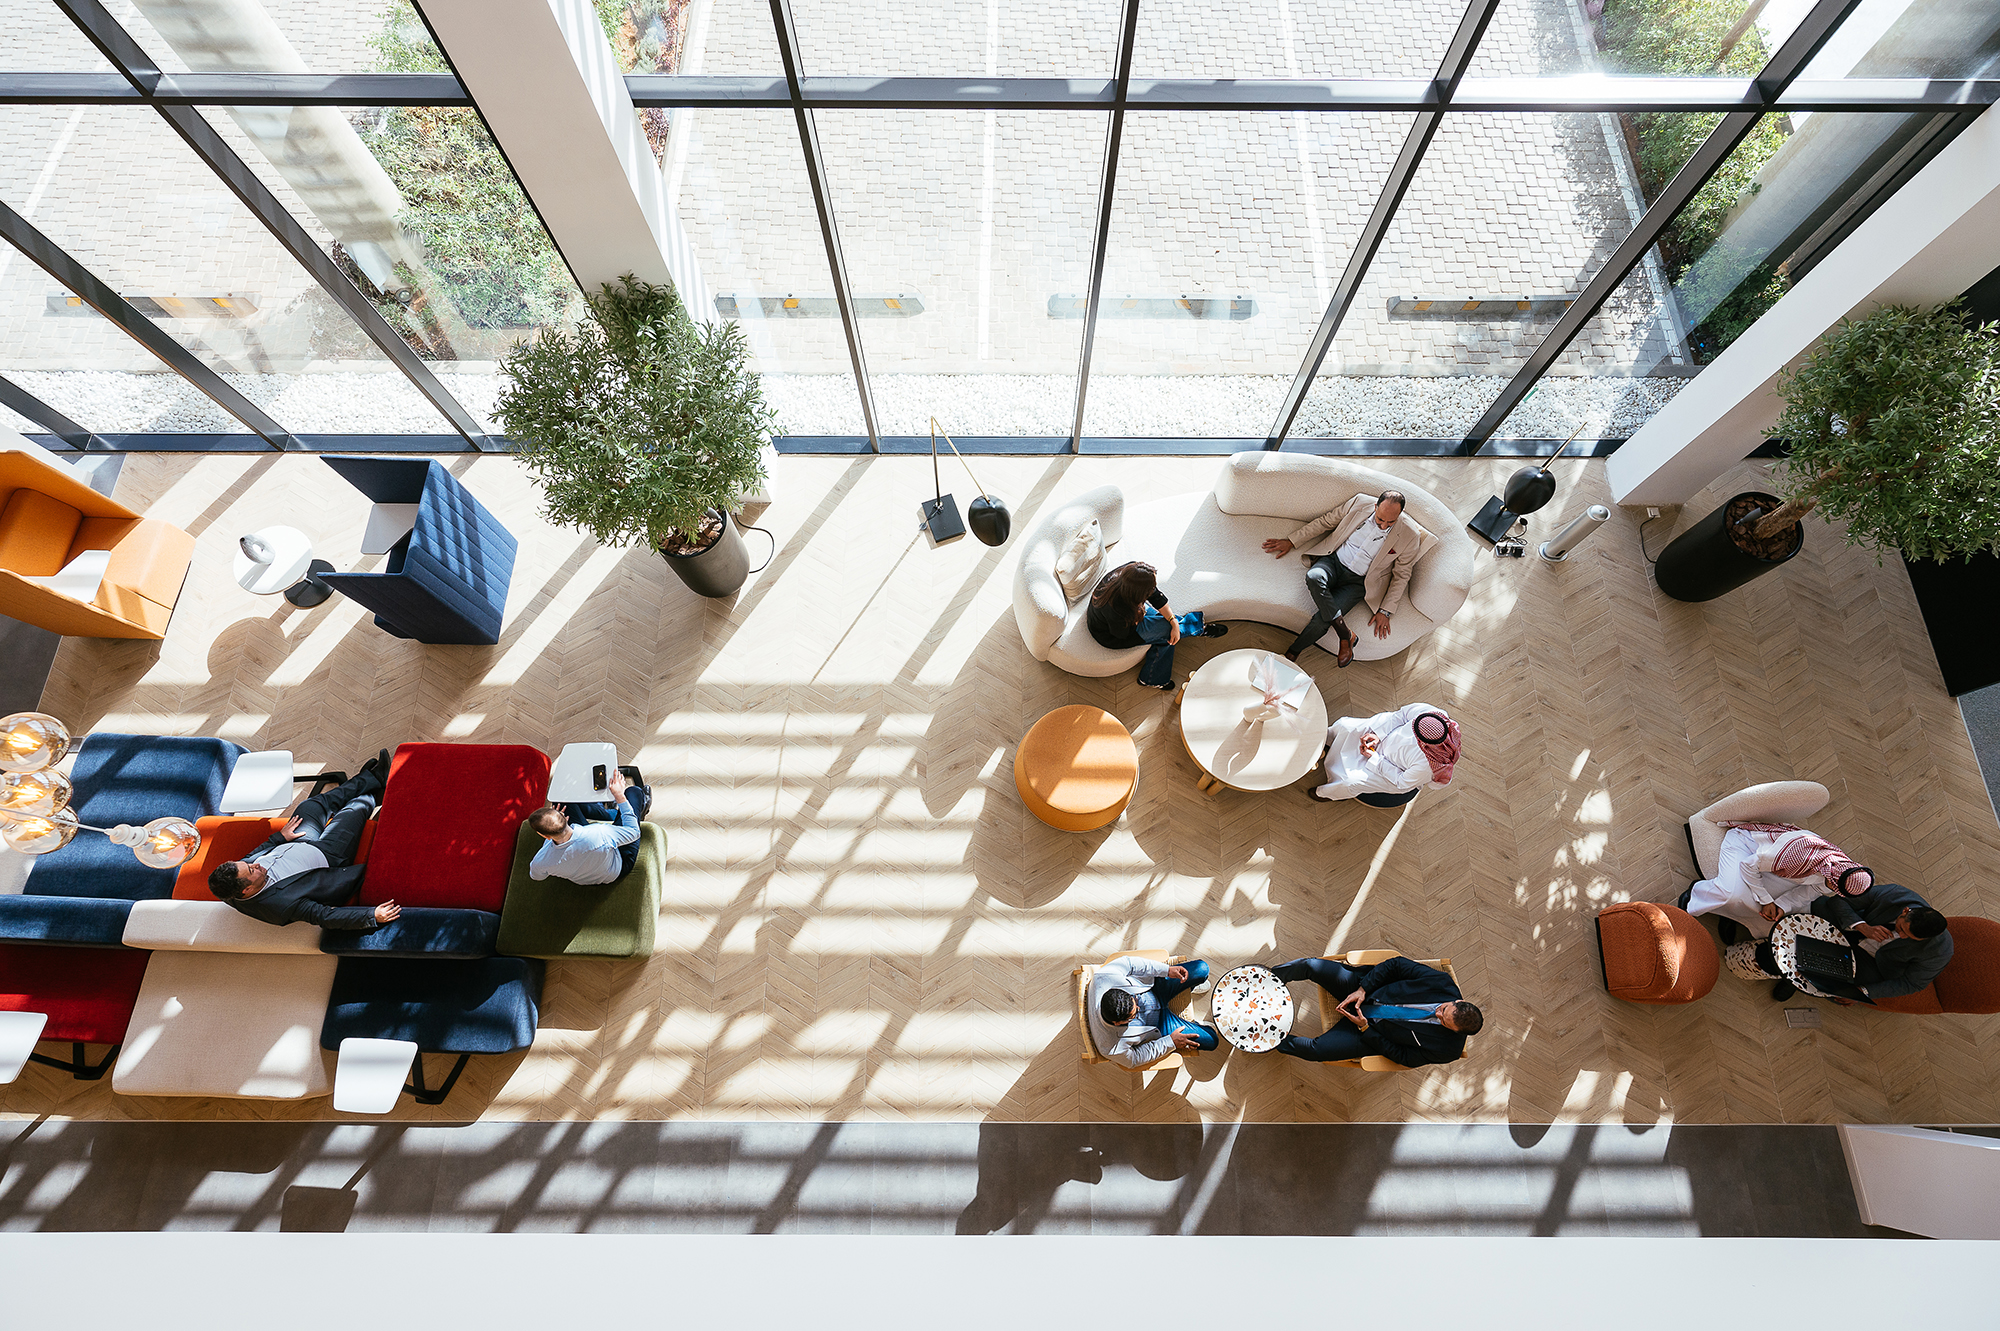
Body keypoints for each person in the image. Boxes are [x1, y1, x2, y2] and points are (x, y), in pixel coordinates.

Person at [208, 749, 400, 930]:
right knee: (355, 807)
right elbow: (324, 916)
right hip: (328, 856)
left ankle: (372, 778)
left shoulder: (231, 883)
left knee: (312, 805)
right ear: (247, 890)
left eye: (246, 864)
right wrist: (372, 916)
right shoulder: (281, 905)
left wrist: (279, 838)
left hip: (296, 841)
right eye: (251, 870)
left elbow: (251, 856)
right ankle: (370, 786)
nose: (254, 864)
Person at [1262, 489, 1432, 668]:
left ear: (1400, 514)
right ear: (1375, 506)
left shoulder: (1410, 535)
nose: (1383, 525)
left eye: (1390, 521)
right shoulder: (1359, 503)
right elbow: (1325, 521)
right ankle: (1346, 635)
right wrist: (1292, 540)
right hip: (1333, 562)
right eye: (1380, 519)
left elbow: (1402, 574)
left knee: (1322, 620)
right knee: (1314, 577)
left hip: (1358, 583)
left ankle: (1292, 653)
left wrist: (1385, 610)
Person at [1727, 884, 1952, 1003]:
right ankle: (1747, 924)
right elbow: (1839, 899)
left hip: (1872, 962)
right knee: (1815, 910)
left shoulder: (1940, 951)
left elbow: (1911, 984)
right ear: (1905, 912)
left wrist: (1862, 992)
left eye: (1909, 939)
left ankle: (1796, 979)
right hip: (1852, 928)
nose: (1901, 936)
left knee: (1833, 982)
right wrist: (1862, 926)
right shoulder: (1895, 895)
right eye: (1901, 929)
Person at [1268, 955, 1481, 1067]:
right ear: (1457, 1000)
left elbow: (1403, 1057)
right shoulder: (1442, 982)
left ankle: (1268, 1037)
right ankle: (1267, 979)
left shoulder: (1447, 1050)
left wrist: (1365, 1029)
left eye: (1443, 1022)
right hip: (1366, 988)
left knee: (1317, 1051)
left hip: (1369, 1033)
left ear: (1455, 1032)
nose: (1437, 1014)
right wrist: (1362, 989)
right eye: (1443, 1009)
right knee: (1311, 966)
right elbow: (1396, 965)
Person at [1681, 822, 1872, 944]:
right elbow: (1749, 866)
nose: (1831, 890)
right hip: (1748, 848)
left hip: (1777, 870)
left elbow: (1812, 890)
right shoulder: (1799, 856)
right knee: (1731, 893)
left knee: (1784, 914)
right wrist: (1766, 900)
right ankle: (1695, 895)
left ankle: (1730, 915)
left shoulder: (1838, 873)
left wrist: (1781, 905)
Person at [1085, 561, 1227, 691]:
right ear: (1139, 595)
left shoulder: (1131, 572)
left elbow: (1157, 597)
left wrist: (1174, 623)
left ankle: (1153, 678)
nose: (1154, 588)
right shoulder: (1116, 610)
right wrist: (1139, 619)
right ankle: (1196, 629)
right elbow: (1121, 634)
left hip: (1130, 615)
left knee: (1169, 631)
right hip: (1115, 635)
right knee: (1166, 632)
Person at [1307, 703, 1460, 808]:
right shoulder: (1433, 714)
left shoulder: (1428, 766)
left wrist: (1374, 759)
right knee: (1345, 726)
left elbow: (1402, 782)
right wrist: (1378, 735)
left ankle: (1326, 793)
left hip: (1388, 771)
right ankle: (1326, 739)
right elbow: (1400, 716)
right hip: (1384, 737)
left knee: (1350, 781)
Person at [1086, 954, 1220, 1067]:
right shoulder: (1109, 1046)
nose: (1139, 1008)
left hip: (1156, 989)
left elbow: (1131, 963)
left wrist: (1167, 970)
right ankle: (1194, 1024)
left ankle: (1187, 988)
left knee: (1202, 969)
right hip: (1160, 1026)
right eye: (1133, 1015)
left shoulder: (1104, 977)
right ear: (1117, 1023)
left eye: (1135, 1000)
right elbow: (1134, 1059)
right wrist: (1170, 1042)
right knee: (1212, 1040)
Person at [528, 766, 653, 885]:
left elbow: (537, 876)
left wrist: (550, 840)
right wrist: (619, 796)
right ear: (564, 819)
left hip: (583, 877)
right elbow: (633, 833)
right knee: (634, 792)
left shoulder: (541, 861)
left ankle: (612, 813)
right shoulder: (600, 832)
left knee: (561, 800)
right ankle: (630, 808)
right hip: (617, 865)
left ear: (544, 835)